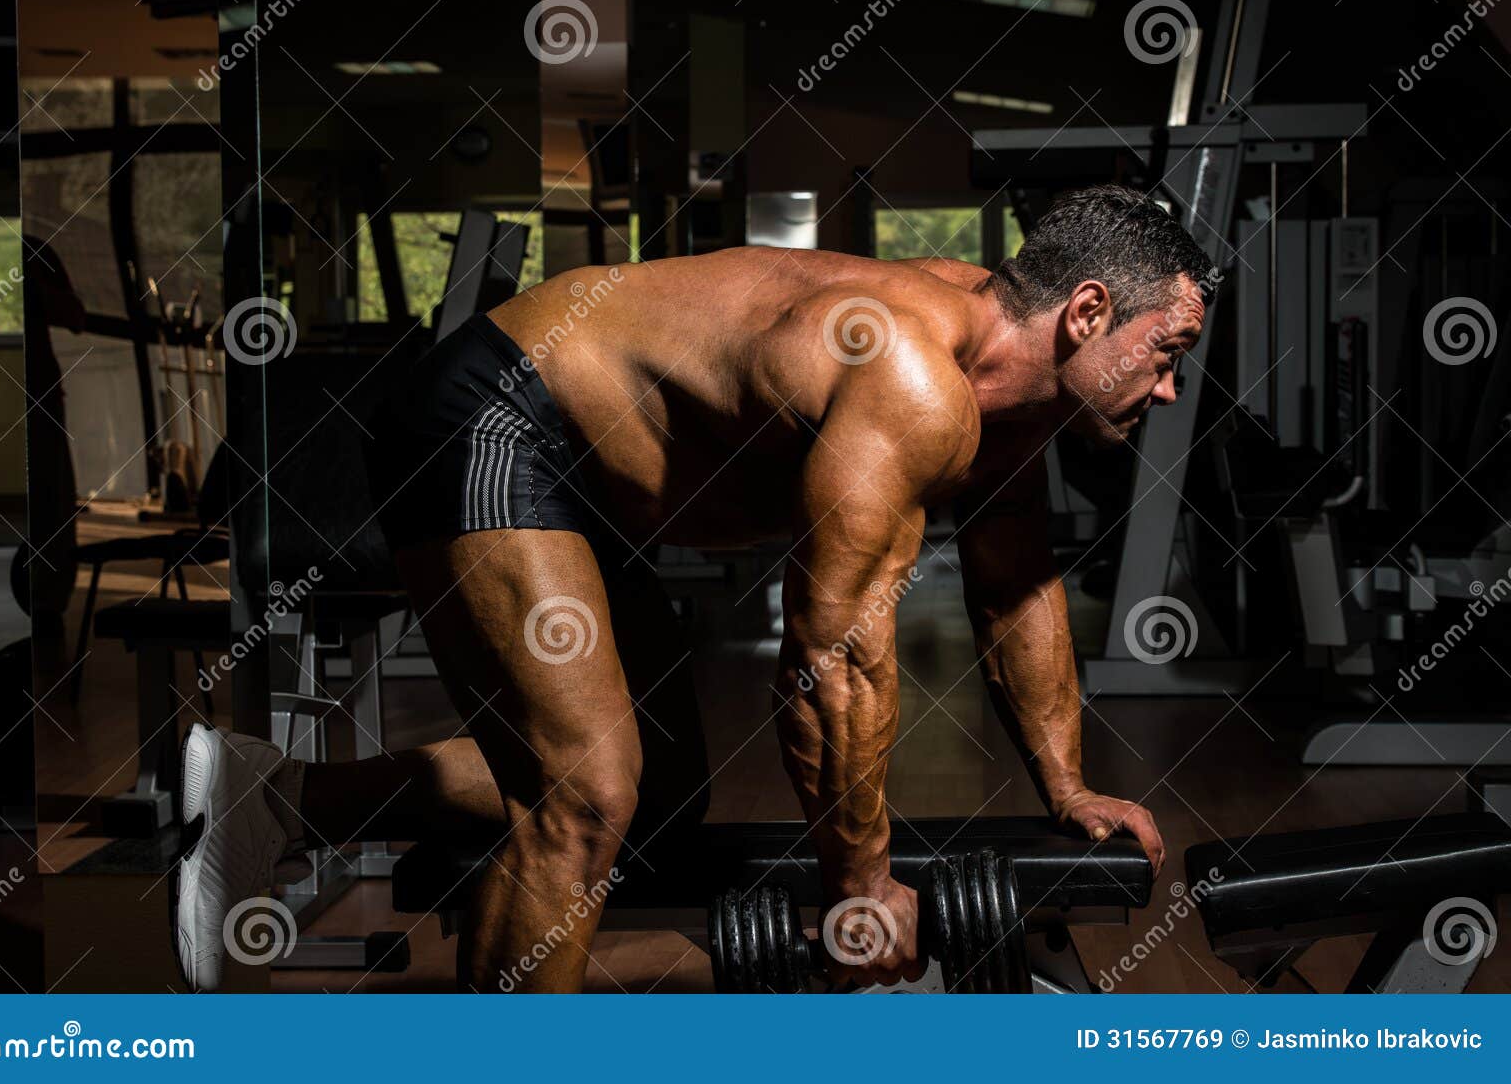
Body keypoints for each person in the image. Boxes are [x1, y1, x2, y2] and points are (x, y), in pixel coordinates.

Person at [176, 184, 1207, 992]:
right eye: (1166, 352)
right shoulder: (913, 377)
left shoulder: (1008, 396)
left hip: (592, 483)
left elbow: (1017, 588)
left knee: (657, 803)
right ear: (1086, 312)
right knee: (586, 792)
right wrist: (859, 889)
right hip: (498, 413)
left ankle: (273, 797)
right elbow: (832, 663)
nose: (1166, 389)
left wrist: (1067, 787)